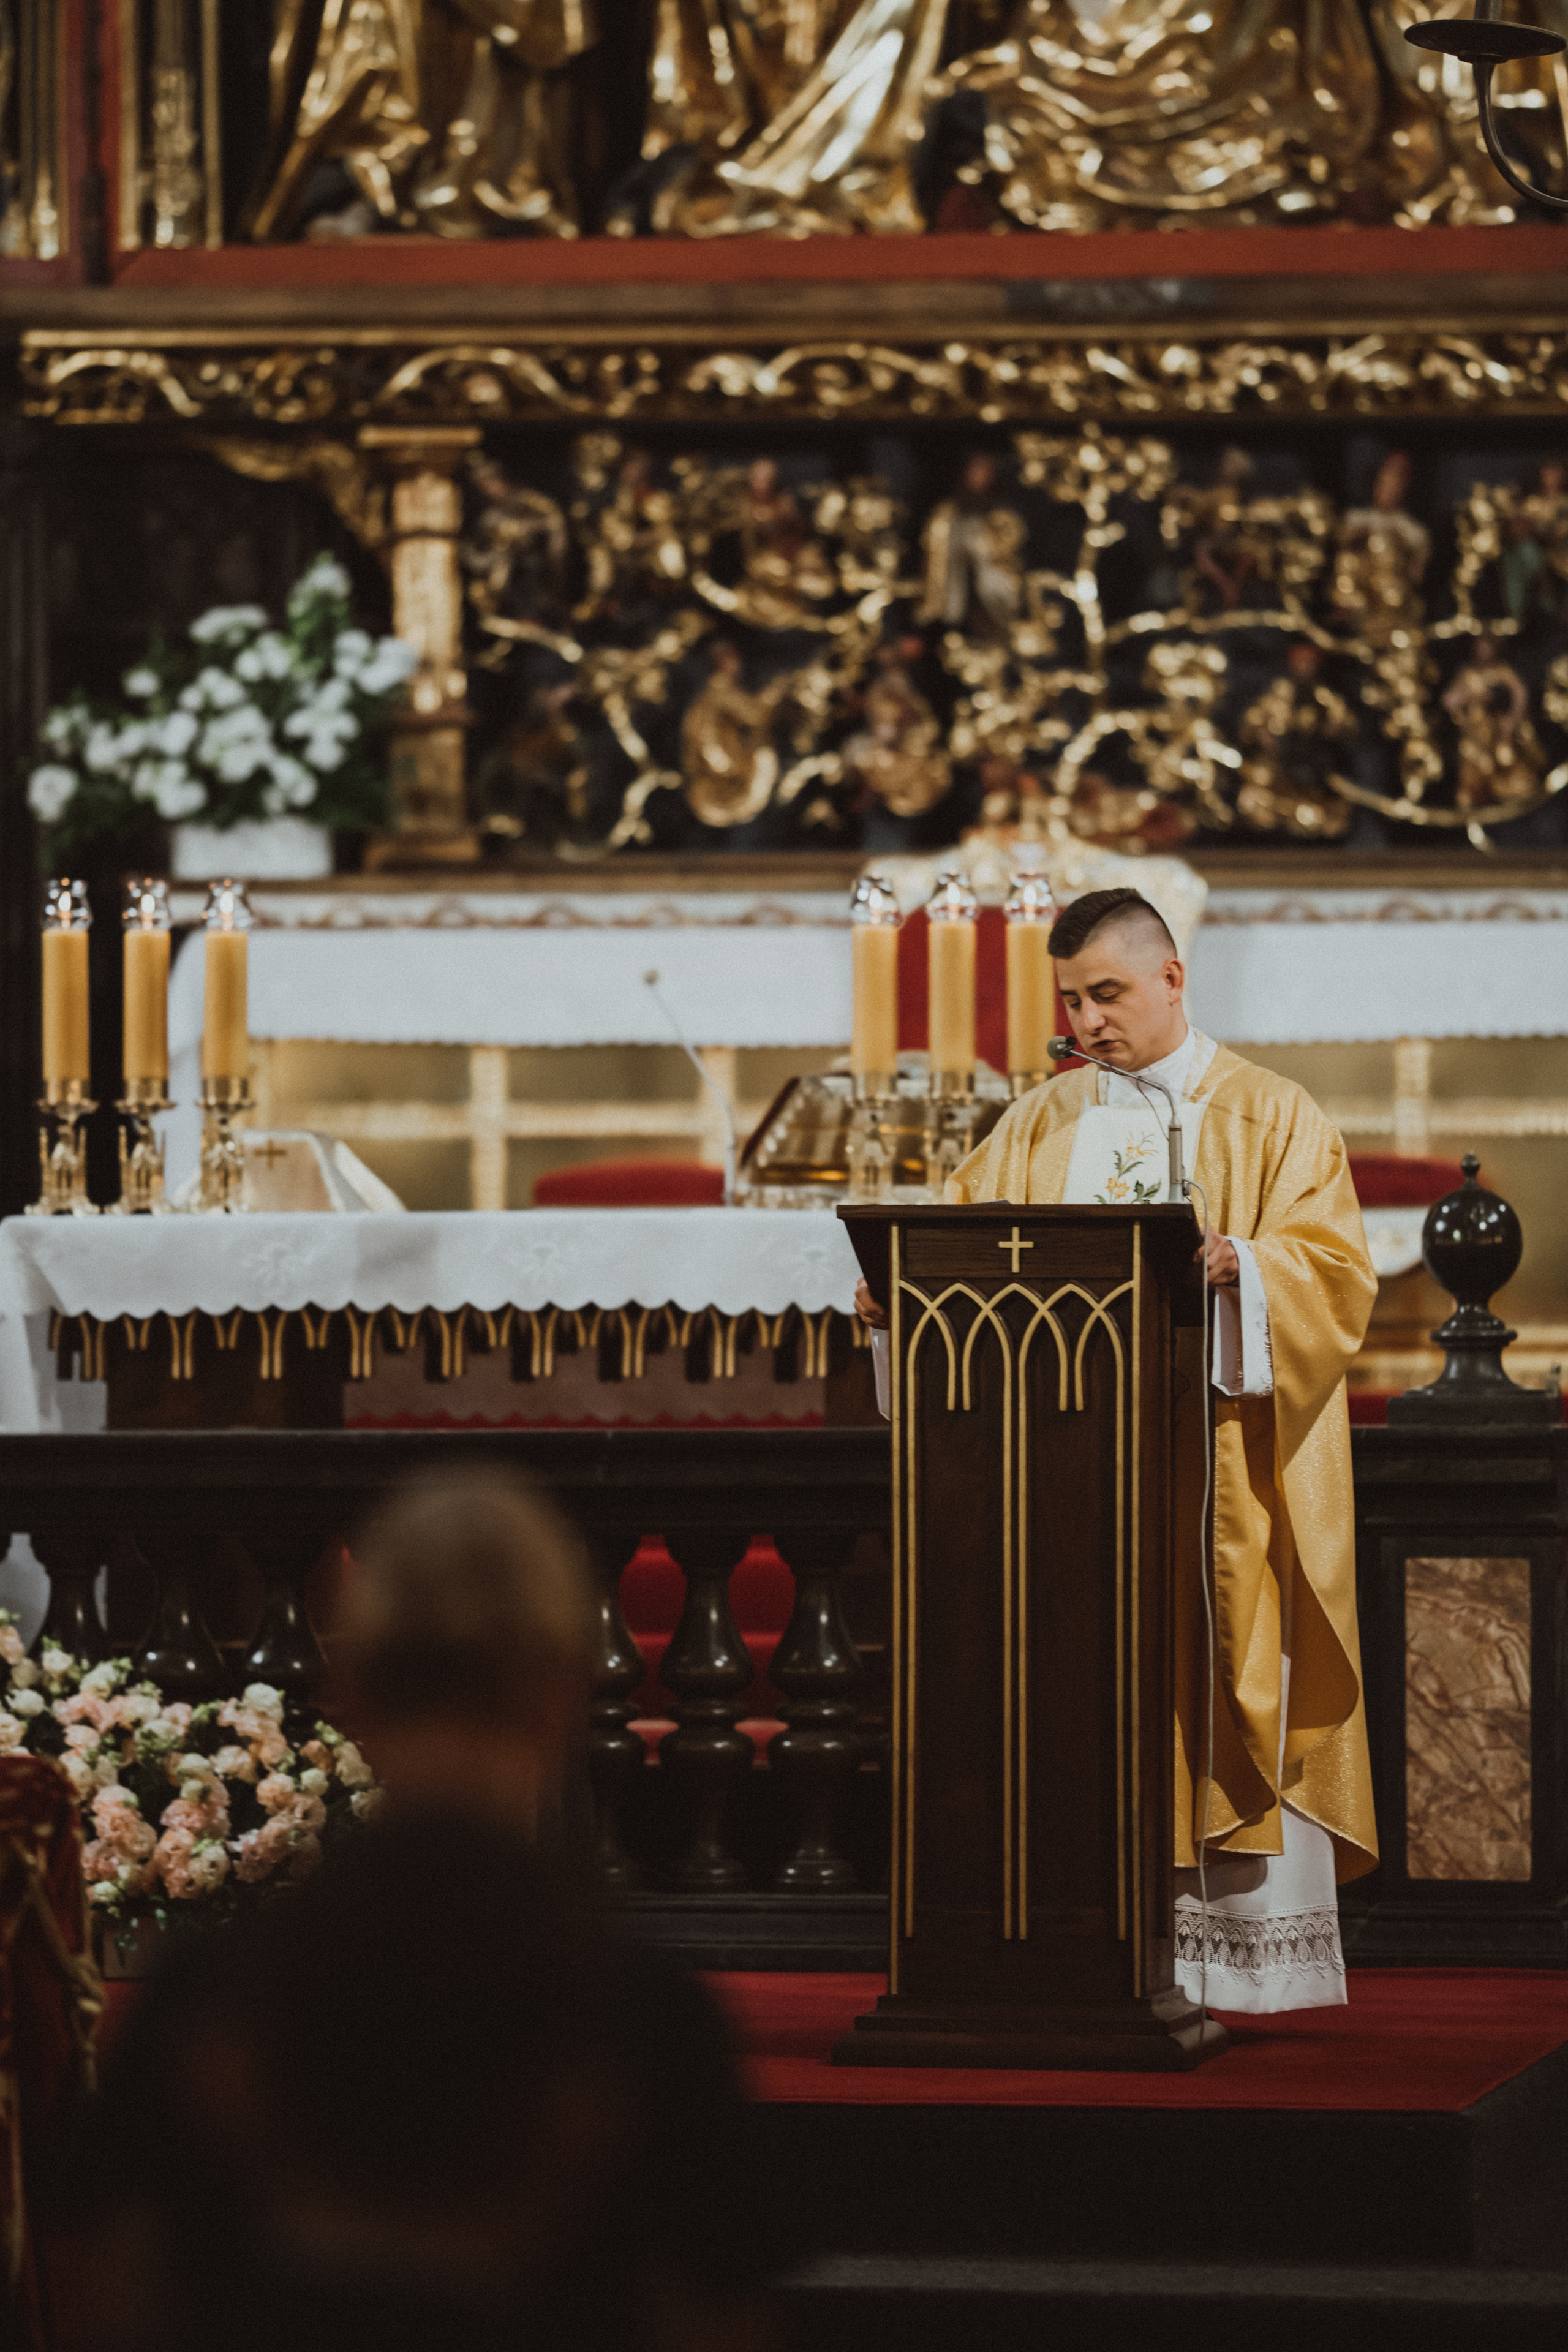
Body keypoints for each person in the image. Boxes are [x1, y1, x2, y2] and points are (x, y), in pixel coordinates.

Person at [45, 1474, 782, 2352]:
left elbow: (113, 2298)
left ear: (351, 1681)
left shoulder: (207, 2000)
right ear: (563, 1690)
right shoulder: (650, 2025)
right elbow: (718, 2319)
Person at [855, 888, 1379, 2014]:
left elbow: (1337, 1277)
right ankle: (1078, 1949)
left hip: (1213, 1479)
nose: (1087, 1022)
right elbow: (959, 1244)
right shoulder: (1039, 1124)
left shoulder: (1273, 1116)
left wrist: (1249, 1267)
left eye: (1107, 994)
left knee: (1216, 1663)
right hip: (1066, 1491)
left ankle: (1230, 1969)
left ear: (1172, 980)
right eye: (1071, 1002)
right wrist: (897, 1300)